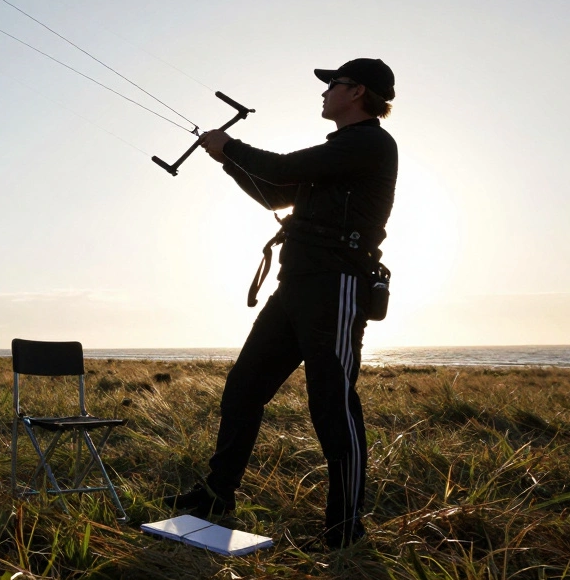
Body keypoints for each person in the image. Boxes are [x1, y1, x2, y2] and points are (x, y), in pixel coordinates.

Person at [165, 58, 399, 549]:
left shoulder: (371, 143)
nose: (322, 93)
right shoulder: (338, 152)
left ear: (356, 91)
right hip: (295, 287)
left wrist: (230, 145)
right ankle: (216, 497)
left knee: (332, 405)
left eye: (330, 85)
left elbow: (284, 168)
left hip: (336, 285)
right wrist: (227, 160)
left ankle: (344, 529)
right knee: (244, 387)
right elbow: (275, 194)